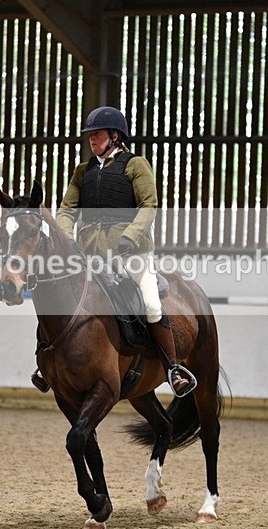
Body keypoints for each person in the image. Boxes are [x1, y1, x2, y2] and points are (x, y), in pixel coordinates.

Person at [31, 106, 194, 397]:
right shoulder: (84, 171)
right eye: (90, 135)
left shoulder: (136, 165)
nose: (92, 139)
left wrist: (131, 237)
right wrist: (65, 238)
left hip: (130, 253)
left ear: (115, 136)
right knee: (61, 297)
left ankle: (173, 368)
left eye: (98, 134)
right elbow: (68, 210)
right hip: (90, 254)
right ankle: (48, 363)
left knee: (151, 303)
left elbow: (148, 205)